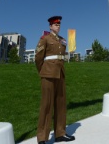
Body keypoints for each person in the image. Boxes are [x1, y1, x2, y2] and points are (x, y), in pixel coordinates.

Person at [35, 16, 75, 144]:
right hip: (48, 73)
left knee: (60, 104)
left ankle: (60, 133)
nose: (58, 26)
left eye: (59, 24)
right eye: (55, 24)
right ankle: (42, 137)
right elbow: (38, 58)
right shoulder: (45, 39)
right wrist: (43, 71)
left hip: (60, 73)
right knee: (47, 104)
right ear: (50, 26)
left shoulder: (62, 40)